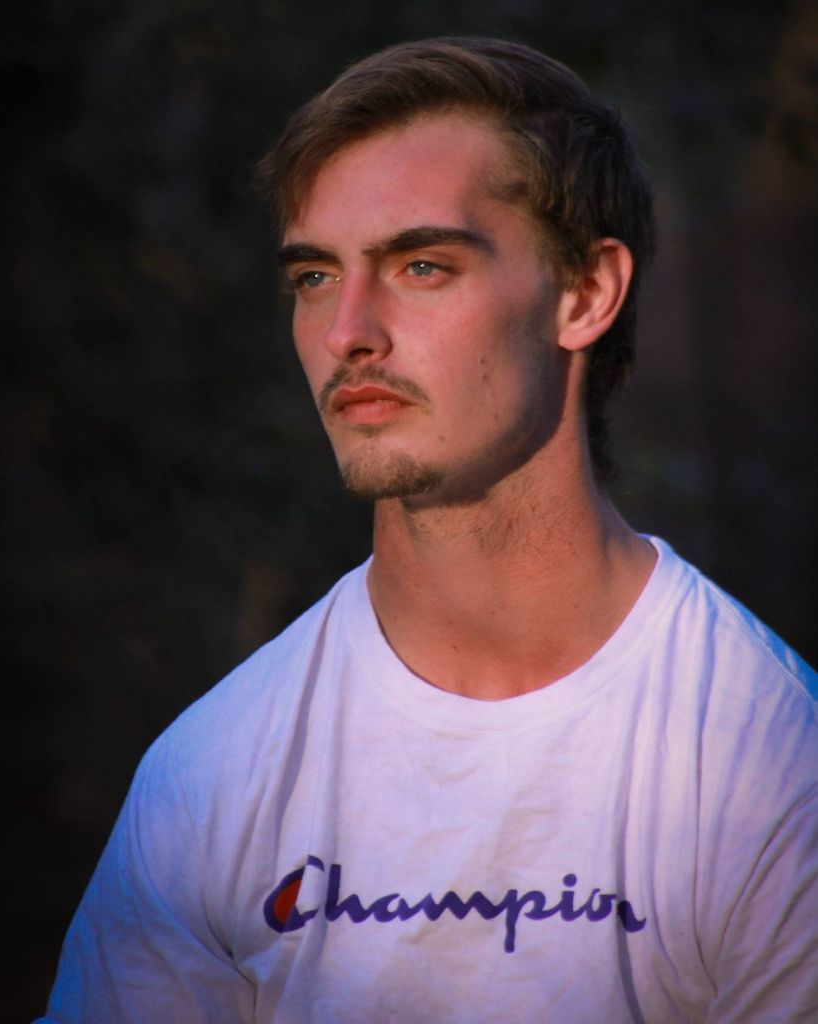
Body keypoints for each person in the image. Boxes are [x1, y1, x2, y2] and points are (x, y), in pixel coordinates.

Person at [40, 37, 816, 1023]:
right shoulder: (210, 774)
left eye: (421, 265)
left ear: (584, 293)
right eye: (314, 276)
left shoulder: (766, 761)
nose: (347, 332)